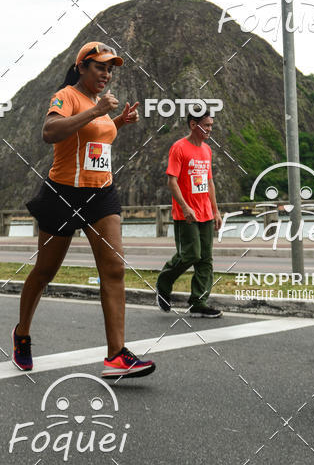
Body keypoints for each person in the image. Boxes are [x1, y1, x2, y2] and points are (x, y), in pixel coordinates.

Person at [12, 41, 156, 380]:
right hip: (63, 194)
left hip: (101, 193)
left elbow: (94, 141)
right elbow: (50, 132)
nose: (106, 74)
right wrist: (96, 111)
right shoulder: (67, 96)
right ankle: (21, 333)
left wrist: (118, 121)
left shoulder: (99, 104)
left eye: (110, 69)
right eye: (100, 67)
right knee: (45, 271)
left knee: (114, 268)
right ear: (82, 67)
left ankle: (116, 355)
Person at [155, 108, 223, 317]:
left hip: (206, 213)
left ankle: (198, 303)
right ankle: (164, 282)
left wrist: (216, 211)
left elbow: (209, 183)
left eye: (211, 125)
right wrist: (185, 207)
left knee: (205, 259)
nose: (210, 129)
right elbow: (172, 181)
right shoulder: (179, 148)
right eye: (207, 125)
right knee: (191, 254)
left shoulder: (207, 150)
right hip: (186, 214)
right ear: (194, 125)